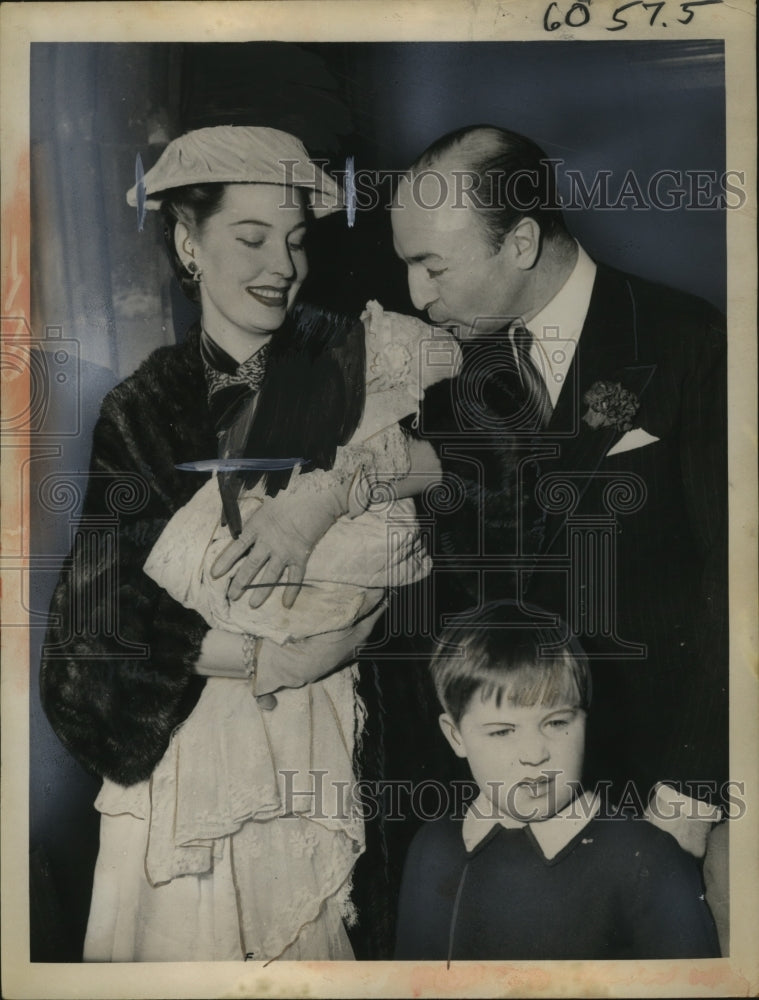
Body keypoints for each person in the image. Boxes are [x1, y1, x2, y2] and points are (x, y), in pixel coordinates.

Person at [39, 125, 447, 963]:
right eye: (250, 238)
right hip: (195, 766)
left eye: (295, 241)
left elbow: (484, 469)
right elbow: (94, 627)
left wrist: (338, 502)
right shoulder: (144, 407)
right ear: (189, 243)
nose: (280, 266)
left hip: (346, 748)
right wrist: (266, 661)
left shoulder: (361, 358)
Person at [390, 125, 728, 811]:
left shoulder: (686, 338)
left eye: (433, 266)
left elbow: (740, 575)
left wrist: (694, 788)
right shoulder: (444, 378)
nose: (417, 295)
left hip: (665, 779)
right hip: (510, 795)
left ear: (519, 242)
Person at [394, 603, 721, 961]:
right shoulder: (432, 849)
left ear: (586, 718)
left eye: (556, 723)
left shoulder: (647, 859)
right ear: (455, 736)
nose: (535, 754)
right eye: (503, 731)